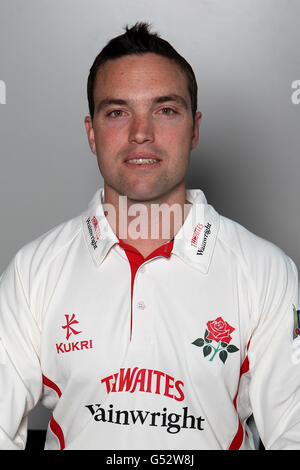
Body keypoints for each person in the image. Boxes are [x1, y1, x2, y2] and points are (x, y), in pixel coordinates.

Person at [0, 22, 299, 451]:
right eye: (118, 112)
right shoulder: (32, 273)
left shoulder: (266, 271)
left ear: (194, 129)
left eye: (165, 110)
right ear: (91, 133)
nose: (141, 133)